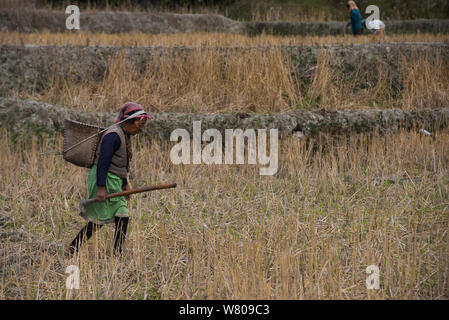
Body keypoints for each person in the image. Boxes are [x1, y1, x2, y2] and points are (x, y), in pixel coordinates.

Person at [68, 102, 150, 257]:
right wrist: (101, 188)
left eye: (143, 125)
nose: (140, 129)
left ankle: (117, 254)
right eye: (139, 124)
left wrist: (125, 184)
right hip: (104, 179)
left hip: (115, 180)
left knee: (122, 217)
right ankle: (72, 249)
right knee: (97, 221)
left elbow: (122, 164)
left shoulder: (124, 135)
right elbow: (103, 163)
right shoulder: (113, 136)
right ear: (127, 122)